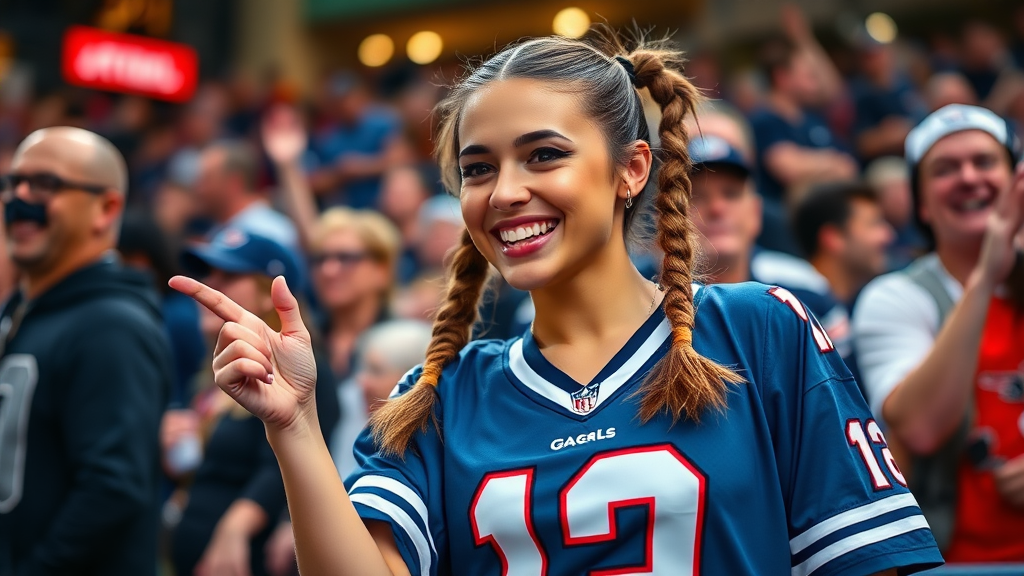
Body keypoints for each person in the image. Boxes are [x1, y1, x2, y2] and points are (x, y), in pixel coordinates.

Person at [173, 29, 942, 576]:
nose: (506, 193)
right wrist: (295, 429)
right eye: (478, 168)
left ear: (631, 168)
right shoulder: (438, 395)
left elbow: (866, 564)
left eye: (544, 155)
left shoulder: (759, 329)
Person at [852, 103, 1024, 561]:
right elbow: (922, 428)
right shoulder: (893, 297)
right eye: (946, 169)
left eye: (985, 162)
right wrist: (986, 276)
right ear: (922, 204)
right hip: (957, 562)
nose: (969, 177)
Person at [0, 127, 171, 575]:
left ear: (106, 208)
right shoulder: (22, 311)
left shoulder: (112, 327)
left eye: (45, 184)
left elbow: (112, 490)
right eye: (12, 182)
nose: (19, 198)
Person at [168, 227, 339, 576]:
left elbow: (285, 463)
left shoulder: (301, 371)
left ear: (268, 295)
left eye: (228, 276)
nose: (211, 286)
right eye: (208, 274)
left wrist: (235, 528)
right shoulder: (210, 374)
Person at [689, 134, 855, 361]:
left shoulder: (805, 290)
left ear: (756, 212)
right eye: (696, 196)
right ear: (665, 215)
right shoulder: (643, 296)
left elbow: (840, 387)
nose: (717, 208)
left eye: (731, 194)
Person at [791, 181, 895, 308]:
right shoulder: (796, 309)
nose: (888, 235)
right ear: (833, 238)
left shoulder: (868, 304)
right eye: (874, 224)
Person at [193, 138, 300, 254]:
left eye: (207, 180)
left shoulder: (267, 232)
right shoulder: (218, 230)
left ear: (234, 183)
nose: (199, 189)